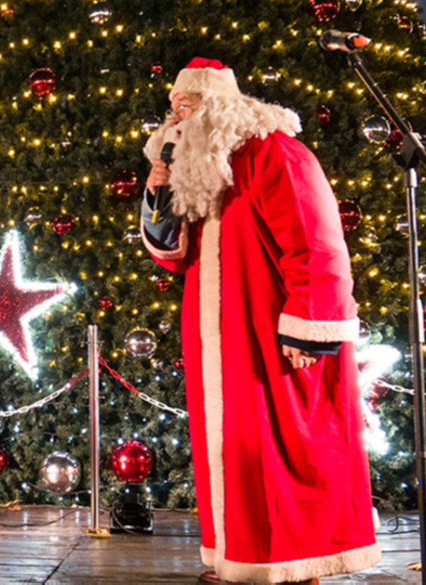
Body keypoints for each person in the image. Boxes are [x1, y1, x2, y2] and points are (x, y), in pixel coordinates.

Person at [139, 58, 380, 584]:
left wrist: (307, 325)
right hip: (217, 340)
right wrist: (160, 194)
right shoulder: (198, 170)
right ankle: (239, 561)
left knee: (285, 451)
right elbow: (174, 255)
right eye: (174, 108)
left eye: (190, 107)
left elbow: (317, 243)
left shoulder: (275, 152)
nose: (178, 119)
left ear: (222, 107)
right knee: (234, 454)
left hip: (270, 332)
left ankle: (294, 566)